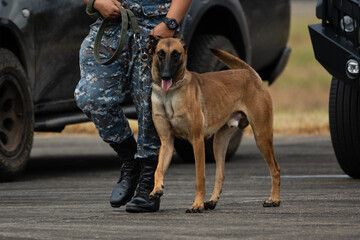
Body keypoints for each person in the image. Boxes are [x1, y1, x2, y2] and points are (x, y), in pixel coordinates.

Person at [75, 0, 191, 213]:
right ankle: (130, 160)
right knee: (91, 97)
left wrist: (170, 24)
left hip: (157, 27)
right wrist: (95, 2)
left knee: (151, 105)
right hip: (112, 25)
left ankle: (149, 182)